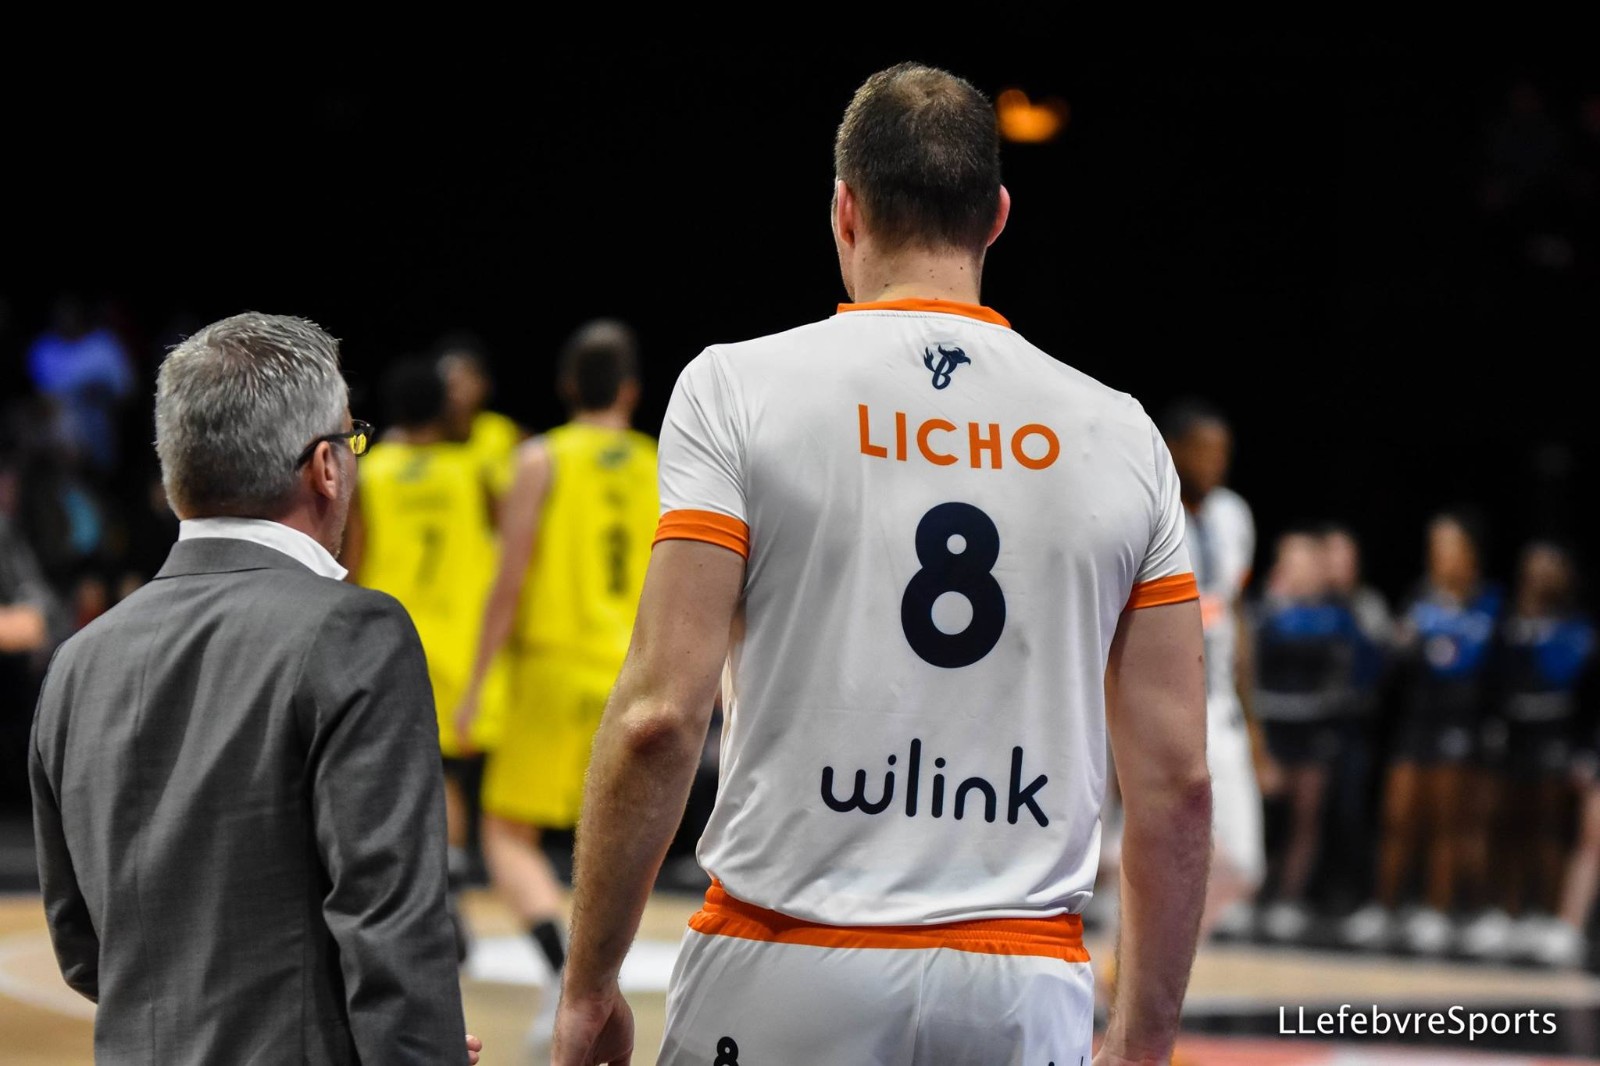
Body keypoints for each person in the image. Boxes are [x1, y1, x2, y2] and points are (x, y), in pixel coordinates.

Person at [552, 62, 1211, 1066]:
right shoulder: (1120, 434)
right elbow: (1176, 782)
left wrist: (590, 989)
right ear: (996, 216)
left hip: (783, 959)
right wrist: (1144, 1040)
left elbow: (658, 720)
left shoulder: (735, 389)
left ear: (844, 210)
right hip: (1020, 979)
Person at [28, 312, 481, 1064]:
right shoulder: (354, 630)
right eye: (352, 440)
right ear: (326, 466)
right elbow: (392, 929)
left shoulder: (77, 662)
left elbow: (83, 949)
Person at [453, 317, 658, 1057]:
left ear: (567, 385)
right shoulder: (659, 461)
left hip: (550, 666)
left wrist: (477, 681)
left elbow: (508, 581)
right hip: (631, 670)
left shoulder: (541, 458)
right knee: (608, 842)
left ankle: (562, 972)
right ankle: (592, 978)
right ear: (630, 391)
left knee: (506, 834)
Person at [343, 356, 510, 937]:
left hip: (390, 639)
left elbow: (354, 557)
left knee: (397, 774)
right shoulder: (474, 473)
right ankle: (450, 890)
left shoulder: (372, 472)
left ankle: (413, 893)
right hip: (462, 647)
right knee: (448, 776)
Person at [1342, 509, 1503, 956]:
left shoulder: (1488, 603)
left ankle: (1436, 910)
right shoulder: (1420, 598)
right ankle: (1384, 907)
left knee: (1447, 823)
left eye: (1449, 546)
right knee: (1398, 817)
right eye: (1435, 546)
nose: (1439, 555)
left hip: (1461, 723)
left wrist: (1437, 641)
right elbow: (1401, 657)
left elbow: (1470, 662)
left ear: (1470, 553)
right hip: (1417, 720)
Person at [1159, 398, 1273, 944]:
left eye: (1223, 452)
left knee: (1243, 863)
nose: (1216, 463)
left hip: (1218, 702)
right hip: (1159, 699)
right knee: (1141, 847)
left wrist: (1253, 721)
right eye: (1205, 451)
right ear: (1174, 449)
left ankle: (1144, 956)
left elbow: (1237, 615)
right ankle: (1128, 965)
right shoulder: (1151, 510)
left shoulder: (1233, 515)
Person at [1251, 527, 1363, 942]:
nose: (1299, 570)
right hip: (1272, 724)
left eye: (1306, 562)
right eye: (1291, 561)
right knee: (1265, 814)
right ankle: (1250, 893)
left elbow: (1354, 664)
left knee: (1306, 815)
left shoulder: (1338, 614)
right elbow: (1249, 665)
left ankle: (1288, 897)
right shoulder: (1267, 612)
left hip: (1315, 728)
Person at [1484, 540, 1594, 964]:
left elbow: (1585, 693)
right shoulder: (1509, 622)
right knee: (1507, 826)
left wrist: (1583, 750)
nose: (1540, 576)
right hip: (1514, 736)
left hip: (1557, 737)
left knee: (1549, 830)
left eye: (1550, 568)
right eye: (1534, 568)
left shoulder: (1578, 629)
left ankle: (1546, 914)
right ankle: (1504, 910)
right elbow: (1493, 679)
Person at [437, 332, 526, 520]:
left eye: (462, 381)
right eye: (447, 383)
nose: (453, 391)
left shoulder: (507, 432)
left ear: (483, 384)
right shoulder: (425, 437)